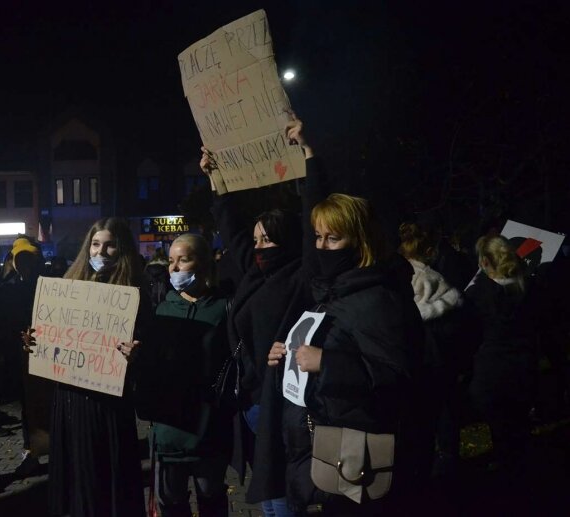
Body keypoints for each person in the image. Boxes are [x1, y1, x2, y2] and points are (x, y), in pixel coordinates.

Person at [252, 117, 423, 514]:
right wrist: (287, 353)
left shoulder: (378, 299)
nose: (323, 246)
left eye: (334, 238)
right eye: (317, 237)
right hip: (314, 451)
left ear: (359, 240)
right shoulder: (328, 290)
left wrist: (327, 363)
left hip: (353, 460)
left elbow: (398, 375)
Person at [199, 124, 310, 517]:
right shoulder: (253, 273)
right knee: (266, 479)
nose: (260, 246)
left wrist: (307, 163)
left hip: (279, 396)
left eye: (268, 239)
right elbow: (232, 231)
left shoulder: (300, 276)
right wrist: (217, 182)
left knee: (277, 479)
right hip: (248, 398)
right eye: (257, 239)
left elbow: (315, 216)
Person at [23, 217, 148, 517]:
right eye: (95, 244)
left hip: (108, 403)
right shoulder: (68, 285)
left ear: (123, 249)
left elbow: (150, 347)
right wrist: (33, 341)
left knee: (106, 478)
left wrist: (137, 354)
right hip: (70, 399)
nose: (100, 251)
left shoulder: (136, 291)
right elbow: (51, 334)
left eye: (110, 245)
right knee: (76, 476)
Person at [141, 233, 231, 516]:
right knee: (172, 502)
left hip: (208, 429)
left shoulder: (223, 308)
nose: (175, 268)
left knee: (211, 497)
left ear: (203, 263)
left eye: (184, 260)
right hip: (169, 430)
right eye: (171, 261)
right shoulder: (162, 308)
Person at [464, 234, 537, 473]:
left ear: (484, 262)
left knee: (501, 427)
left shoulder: (479, 295)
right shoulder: (528, 288)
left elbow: (469, 334)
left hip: (492, 372)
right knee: (519, 425)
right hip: (524, 366)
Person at [397, 222, 464, 478]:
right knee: (445, 421)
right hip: (439, 363)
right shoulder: (434, 279)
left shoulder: (396, 276)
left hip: (412, 365)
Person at [0, 236, 48, 477]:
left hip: (51, 358)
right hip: (20, 360)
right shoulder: (4, 291)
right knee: (29, 408)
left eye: (29, 259)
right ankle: (31, 452)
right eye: (20, 259)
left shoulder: (53, 287)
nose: (25, 264)